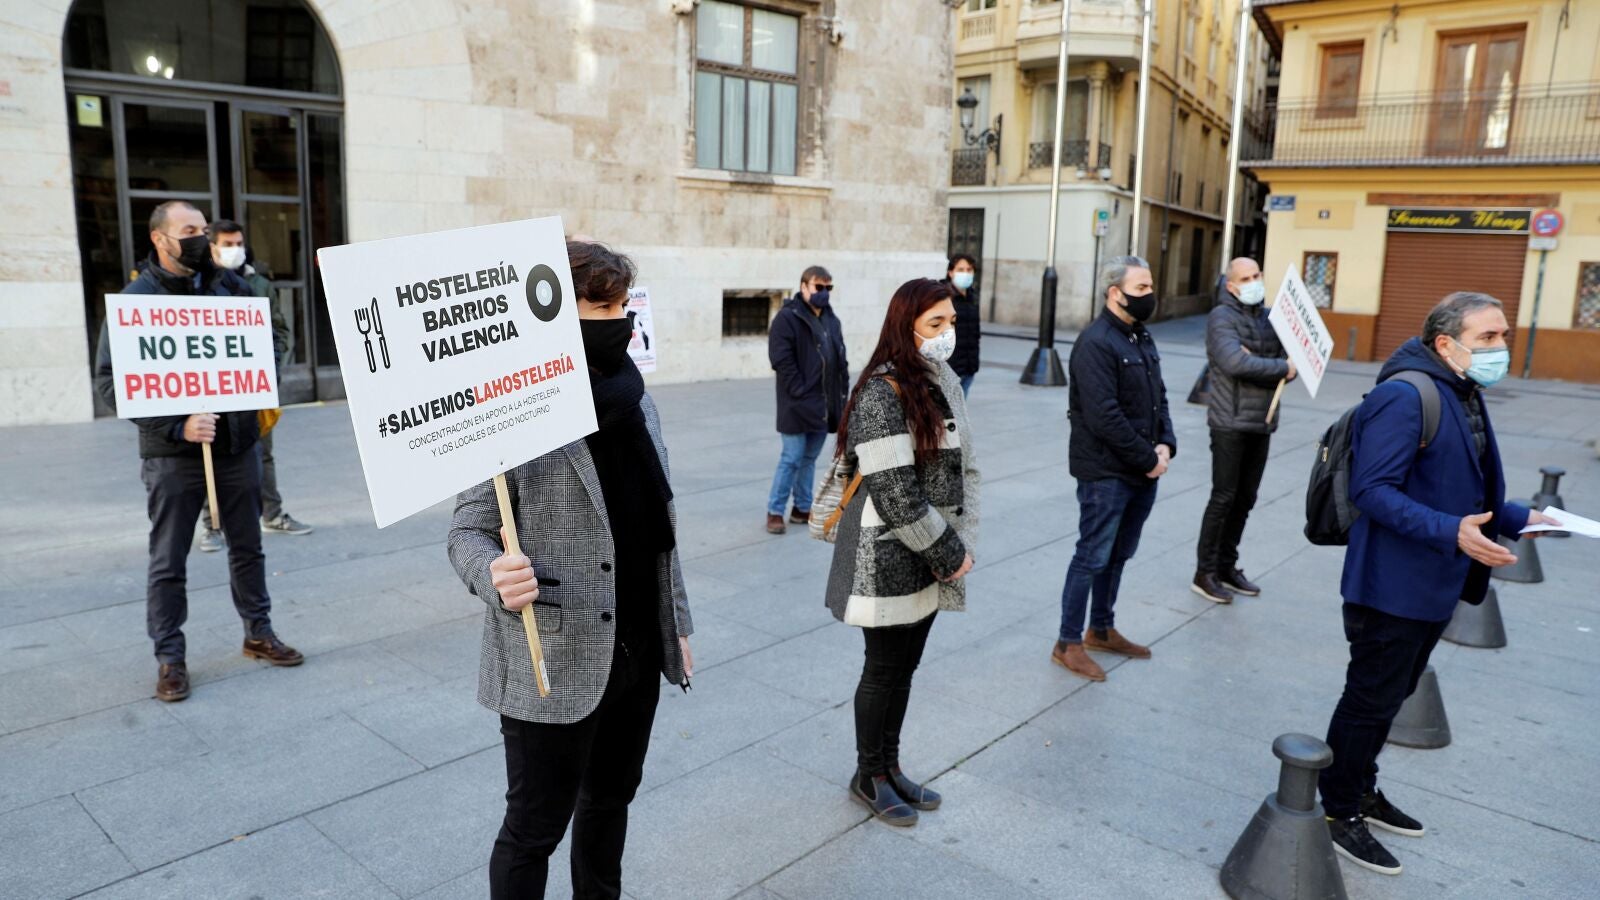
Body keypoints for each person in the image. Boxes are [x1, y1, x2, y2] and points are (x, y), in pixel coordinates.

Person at [448, 240, 694, 899]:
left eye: (623, 306)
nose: (620, 320)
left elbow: (660, 526)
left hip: (637, 649)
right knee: (533, 830)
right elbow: (468, 530)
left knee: (610, 803)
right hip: (550, 656)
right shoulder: (509, 409)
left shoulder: (636, 398)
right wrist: (493, 574)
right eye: (602, 308)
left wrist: (676, 623)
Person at [1318, 292, 1558, 876]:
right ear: (1446, 343)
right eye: (1488, 338)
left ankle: (1362, 787)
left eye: (1503, 335)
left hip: (1432, 583)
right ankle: (1337, 810)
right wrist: (1453, 531)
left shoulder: (1463, 389)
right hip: (1390, 585)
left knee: (1393, 695)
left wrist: (1519, 516)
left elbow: (1460, 487)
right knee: (1369, 699)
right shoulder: (1405, 396)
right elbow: (1373, 491)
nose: (1501, 347)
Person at [92, 200, 302, 703]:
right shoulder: (136, 301)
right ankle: (170, 657)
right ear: (160, 238)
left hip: (238, 444)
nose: (200, 239)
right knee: (168, 559)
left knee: (248, 548)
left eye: (203, 229)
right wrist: (177, 424)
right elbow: (110, 383)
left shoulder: (233, 289)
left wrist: (258, 375)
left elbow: (270, 343)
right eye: (189, 230)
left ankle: (258, 632)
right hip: (171, 455)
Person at [826, 277, 979, 826]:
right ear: (904, 325)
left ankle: (890, 767)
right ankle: (868, 775)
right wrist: (950, 552)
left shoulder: (939, 380)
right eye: (934, 323)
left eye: (951, 322)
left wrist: (954, 544)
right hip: (887, 554)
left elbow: (962, 468)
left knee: (905, 667)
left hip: (927, 552)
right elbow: (894, 491)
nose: (946, 333)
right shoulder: (880, 392)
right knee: (883, 668)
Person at [1050, 256, 1175, 682]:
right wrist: (1148, 458)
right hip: (1106, 472)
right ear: (1114, 293)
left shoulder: (1140, 336)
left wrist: (1166, 442)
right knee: (1092, 555)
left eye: (1150, 286)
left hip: (1141, 468)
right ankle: (1067, 642)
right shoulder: (1096, 343)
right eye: (1141, 288)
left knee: (1119, 554)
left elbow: (1159, 398)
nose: (1149, 295)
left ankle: (1101, 629)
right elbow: (1104, 416)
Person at [195, 221, 311, 554]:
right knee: (211, 455)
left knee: (264, 452)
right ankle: (212, 525)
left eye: (239, 243)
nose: (235, 249)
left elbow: (278, 331)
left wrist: (268, 371)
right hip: (213, 388)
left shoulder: (259, 285)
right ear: (212, 247)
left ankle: (272, 514)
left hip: (253, 388)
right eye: (228, 243)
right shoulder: (198, 285)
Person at [1191, 257, 1296, 604]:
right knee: (1223, 498)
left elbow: (1289, 363)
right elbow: (1235, 363)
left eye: (1257, 275)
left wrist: (1268, 365)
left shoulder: (1270, 318)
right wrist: (1277, 366)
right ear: (1231, 286)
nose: (1254, 282)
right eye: (1246, 278)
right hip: (1230, 422)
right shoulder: (1221, 317)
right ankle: (1204, 572)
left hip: (1262, 421)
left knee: (1245, 499)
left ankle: (1226, 567)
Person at [766, 265, 849, 534]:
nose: (824, 292)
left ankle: (802, 508)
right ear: (803, 287)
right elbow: (780, 359)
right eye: (818, 287)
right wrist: (799, 389)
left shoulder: (831, 320)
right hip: (796, 403)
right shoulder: (787, 318)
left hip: (824, 405)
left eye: (828, 287)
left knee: (809, 458)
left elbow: (841, 361)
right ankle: (775, 510)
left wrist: (843, 395)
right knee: (791, 458)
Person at [943, 254, 982, 396]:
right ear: (950, 272)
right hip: (950, 369)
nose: (965, 273)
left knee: (962, 406)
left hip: (968, 368)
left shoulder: (972, 297)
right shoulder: (943, 296)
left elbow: (975, 333)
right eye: (960, 269)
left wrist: (973, 365)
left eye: (969, 270)